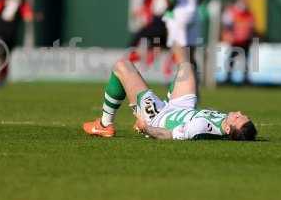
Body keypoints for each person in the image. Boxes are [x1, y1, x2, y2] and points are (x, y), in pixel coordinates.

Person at [82, 52, 257, 141]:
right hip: (181, 109)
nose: (239, 112)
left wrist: (146, 128)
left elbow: (170, 135)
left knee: (122, 66)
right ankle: (168, 97)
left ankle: (105, 124)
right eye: (242, 115)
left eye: (238, 117)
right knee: (187, 67)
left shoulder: (200, 127)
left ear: (228, 130)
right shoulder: (223, 125)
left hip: (158, 116)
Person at [222, 0, 255, 84]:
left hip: (245, 40)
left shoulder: (249, 13)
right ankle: (228, 78)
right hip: (236, 40)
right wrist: (228, 35)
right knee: (232, 60)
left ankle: (245, 79)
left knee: (245, 61)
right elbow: (227, 24)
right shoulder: (233, 11)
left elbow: (251, 26)